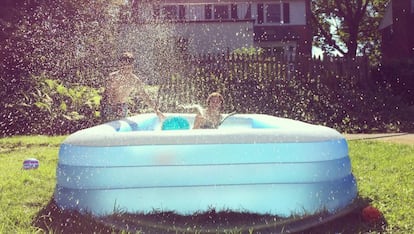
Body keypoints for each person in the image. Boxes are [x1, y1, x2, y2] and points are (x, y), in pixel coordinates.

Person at [101, 52, 164, 122]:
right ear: (119, 65)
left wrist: (156, 110)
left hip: (122, 106)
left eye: (128, 68)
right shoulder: (113, 77)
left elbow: (144, 95)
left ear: (132, 67)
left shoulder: (134, 80)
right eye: (123, 67)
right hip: (110, 106)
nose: (125, 70)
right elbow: (108, 95)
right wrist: (114, 106)